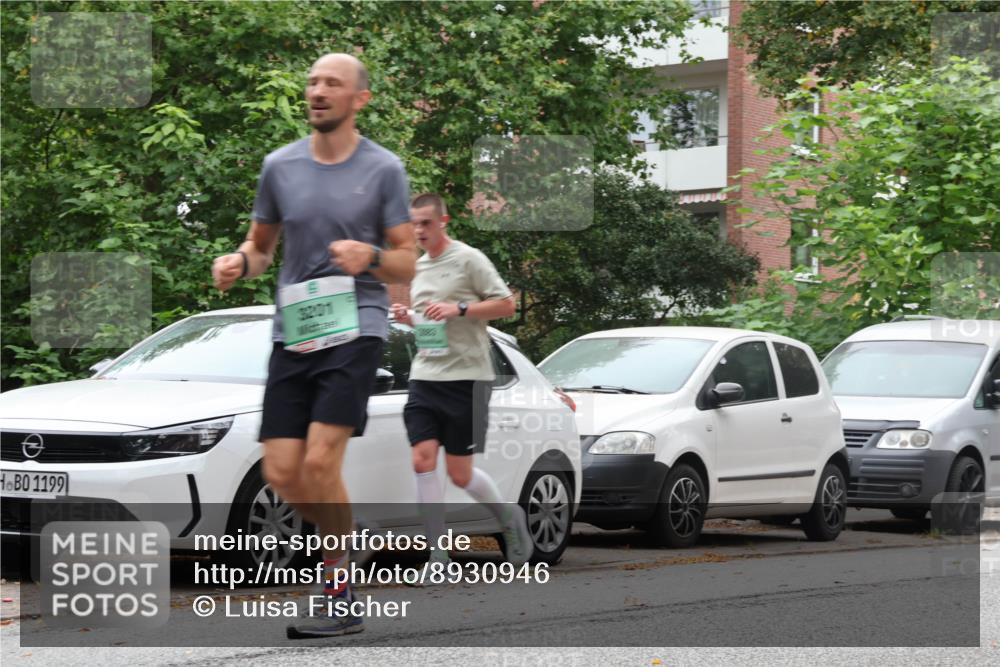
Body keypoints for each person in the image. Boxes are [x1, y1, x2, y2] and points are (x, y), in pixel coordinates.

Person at [211, 53, 415, 638]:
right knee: (281, 471)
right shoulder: (280, 166)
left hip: (358, 325)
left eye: (333, 84)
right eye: (313, 82)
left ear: (359, 100)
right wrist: (237, 264)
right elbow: (260, 247)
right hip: (294, 329)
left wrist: (371, 257)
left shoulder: (384, 170)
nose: (318, 91)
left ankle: (338, 587)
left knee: (322, 461)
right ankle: (345, 539)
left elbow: (407, 256)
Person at [390, 193, 532, 574]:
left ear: (444, 221)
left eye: (426, 223)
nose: (419, 230)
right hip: (425, 375)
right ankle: (437, 556)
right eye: (414, 223)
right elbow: (428, 322)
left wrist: (461, 308)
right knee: (421, 460)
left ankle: (507, 517)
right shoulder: (417, 268)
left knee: (460, 474)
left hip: (467, 378)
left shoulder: (469, 259)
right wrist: (409, 318)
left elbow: (506, 305)